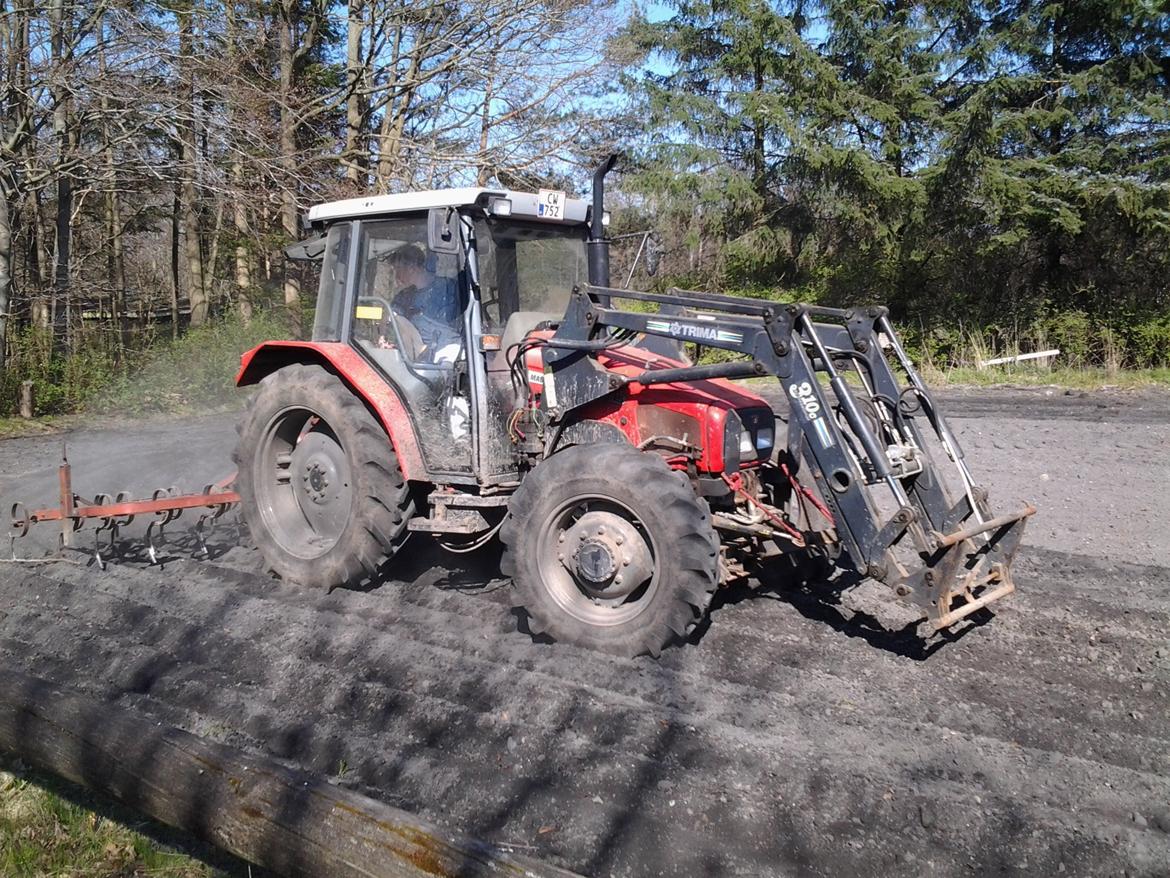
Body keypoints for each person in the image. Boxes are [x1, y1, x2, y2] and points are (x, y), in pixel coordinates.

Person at [387, 244, 462, 363]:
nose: (396, 276)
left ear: (412, 268)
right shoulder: (403, 297)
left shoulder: (448, 289)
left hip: (448, 354)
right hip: (413, 361)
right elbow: (391, 319)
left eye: (398, 269)